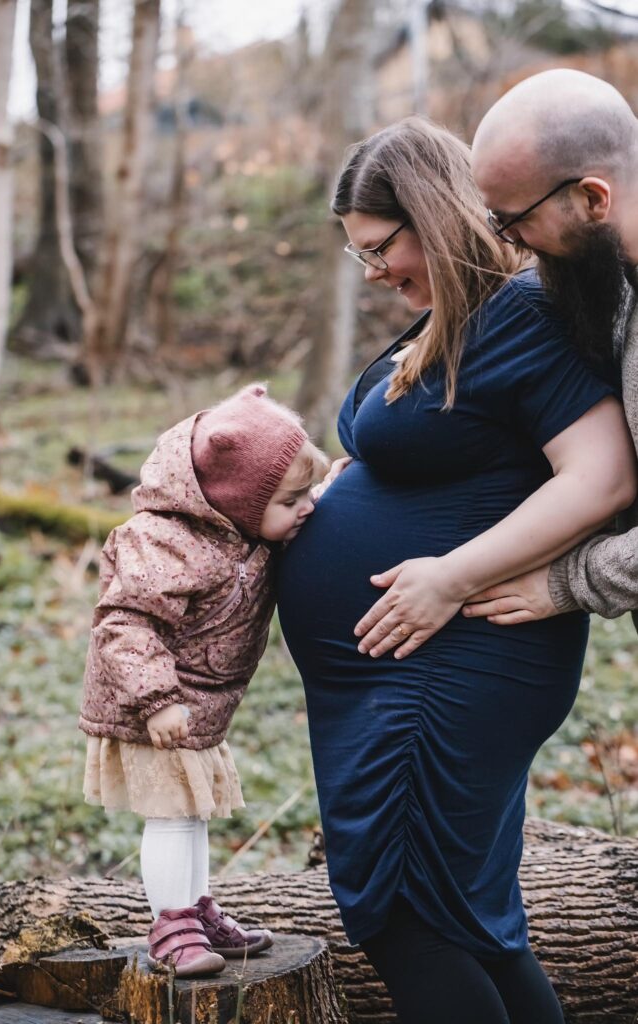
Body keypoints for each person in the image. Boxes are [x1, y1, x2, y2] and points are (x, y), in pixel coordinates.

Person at [276, 116, 637, 1024]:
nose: (373, 273)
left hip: (452, 663)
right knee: (471, 924)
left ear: (431, 218)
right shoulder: (455, 319)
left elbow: (601, 476)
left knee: (407, 919)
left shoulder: (523, 313)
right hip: (404, 671)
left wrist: (448, 576)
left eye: (380, 248)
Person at [79, 384, 326, 977]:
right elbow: (124, 623)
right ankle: (171, 928)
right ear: (236, 501)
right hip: (153, 708)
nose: (308, 507)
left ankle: (194, 909)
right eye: (294, 499)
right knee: (171, 818)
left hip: (196, 705)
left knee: (191, 815)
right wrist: (157, 699)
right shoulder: (165, 543)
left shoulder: (239, 532)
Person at [467, 68, 638, 628]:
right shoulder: (612, 285)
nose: (509, 241)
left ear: (592, 198)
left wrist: (568, 580)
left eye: (515, 220)